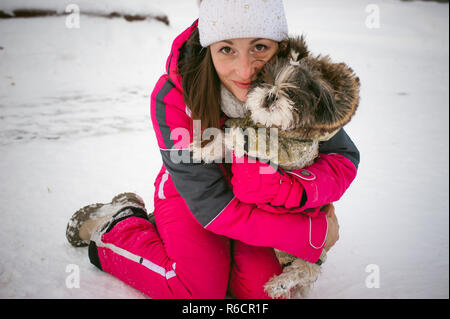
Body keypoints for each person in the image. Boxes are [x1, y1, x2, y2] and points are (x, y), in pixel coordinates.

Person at [66, 0, 359, 299]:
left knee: (262, 294)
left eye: (259, 47)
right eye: (226, 49)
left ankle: (204, 252)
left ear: (280, 45)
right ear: (209, 48)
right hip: (197, 199)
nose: (245, 70)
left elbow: (342, 158)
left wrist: (297, 193)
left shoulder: (295, 83)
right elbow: (210, 205)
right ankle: (118, 223)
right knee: (198, 293)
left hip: (264, 205)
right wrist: (309, 234)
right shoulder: (175, 95)